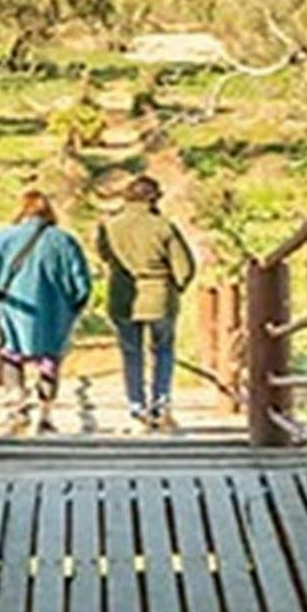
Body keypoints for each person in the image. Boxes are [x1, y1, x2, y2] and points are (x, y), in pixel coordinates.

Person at [0, 190, 92, 435]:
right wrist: (72, 310)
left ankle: (18, 405)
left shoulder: (5, 238)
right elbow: (81, 285)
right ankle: (45, 414)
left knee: (11, 353)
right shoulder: (65, 241)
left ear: (23, 210)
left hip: (14, 309)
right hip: (54, 314)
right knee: (49, 360)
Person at [96, 175, 196, 432]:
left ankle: (136, 406)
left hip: (123, 296)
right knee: (162, 351)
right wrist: (177, 287)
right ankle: (161, 404)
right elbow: (184, 267)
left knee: (131, 353)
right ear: (154, 199)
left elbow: (105, 255)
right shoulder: (163, 227)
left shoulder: (110, 226)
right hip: (159, 296)